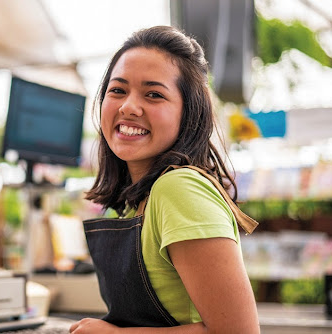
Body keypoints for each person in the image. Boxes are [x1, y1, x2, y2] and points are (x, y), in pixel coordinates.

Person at [69, 26, 260, 333]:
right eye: (117, 90)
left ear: (189, 113)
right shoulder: (136, 201)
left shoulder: (178, 188)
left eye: (154, 94)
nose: (129, 106)